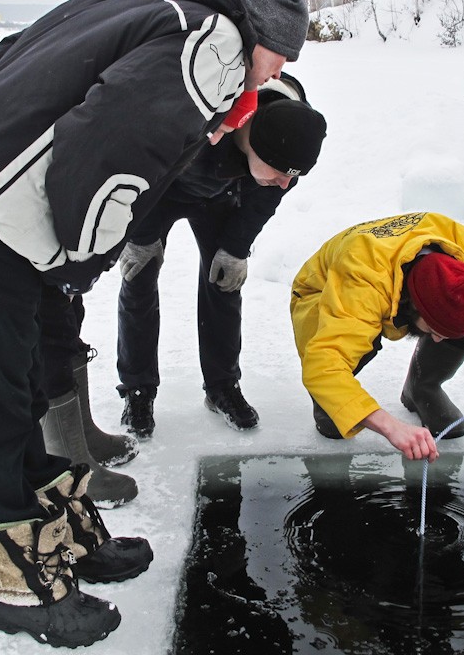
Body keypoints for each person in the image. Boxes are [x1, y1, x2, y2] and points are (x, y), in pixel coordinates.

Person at [0, 0, 309, 647]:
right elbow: (106, 154)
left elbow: (14, 56)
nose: (278, 75)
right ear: (266, 37)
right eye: (280, 60)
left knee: (25, 387)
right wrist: (80, 259)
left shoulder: (160, 7)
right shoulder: (213, 48)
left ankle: (62, 539)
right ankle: (16, 585)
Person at [115, 73, 326, 436]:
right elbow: (138, 161)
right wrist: (140, 235)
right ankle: (138, 389)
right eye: (280, 174)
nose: (286, 184)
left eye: (294, 178)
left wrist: (236, 247)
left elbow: (266, 196)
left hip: (221, 196)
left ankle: (222, 387)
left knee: (224, 282)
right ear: (253, 145)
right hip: (160, 192)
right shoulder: (198, 109)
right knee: (140, 277)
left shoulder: (293, 137)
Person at [290, 212, 464, 463]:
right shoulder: (363, 283)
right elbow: (322, 364)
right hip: (323, 292)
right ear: (413, 304)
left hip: (388, 281)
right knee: (334, 413)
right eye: (433, 331)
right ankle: (328, 403)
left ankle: (422, 385)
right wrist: (391, 427)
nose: (438, 342)